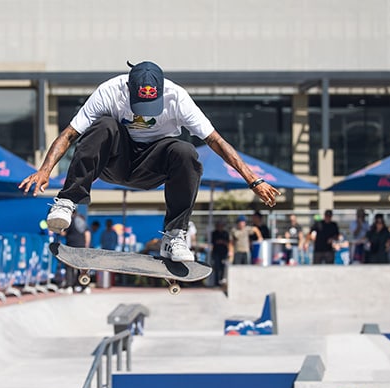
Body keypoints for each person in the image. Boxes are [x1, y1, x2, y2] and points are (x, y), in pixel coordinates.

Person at [19, 61, 279, 262]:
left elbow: (216, 141)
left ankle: (174, 235)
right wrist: (45, 169)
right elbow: (70, 133)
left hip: (153, 165)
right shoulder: (109, 90)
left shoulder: (178, 97)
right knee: (104, 126)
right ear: (129, 88)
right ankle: (67, 201)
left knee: (186, 152)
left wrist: (253, 180)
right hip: (115, 161)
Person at [63, 209, 91, 293]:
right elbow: (87, 234)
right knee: (82, 267)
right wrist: (86, 245)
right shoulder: (82, 221)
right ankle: (85, 286)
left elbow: (63, 233)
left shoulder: (69, 221)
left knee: (69, 267)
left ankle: (69, 286)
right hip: (81, 246)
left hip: (71, 247)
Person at [211, 220, 230, 284]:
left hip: (224, 253)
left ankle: (221, 280)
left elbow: (227, 242)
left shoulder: (225, 233)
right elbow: (214, 242)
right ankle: (216, 281)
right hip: (216, 252)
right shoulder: (214, 233)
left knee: (223, 267)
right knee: (216, 267)